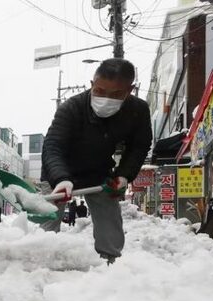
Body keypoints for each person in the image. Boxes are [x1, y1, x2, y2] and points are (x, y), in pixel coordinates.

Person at [40, 58, 152, 262]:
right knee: (45, 220)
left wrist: (124, 176)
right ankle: (39, 260)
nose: (106, 99)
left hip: (98, 172)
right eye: (99, 91)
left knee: (109, 218)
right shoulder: (72, 108)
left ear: (130, 89)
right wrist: (60, 179)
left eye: (116, 94)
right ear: (92, 85)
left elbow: (139, 146)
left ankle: (110, 260)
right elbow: (52, 146)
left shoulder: (137, 110)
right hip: (59, 172)